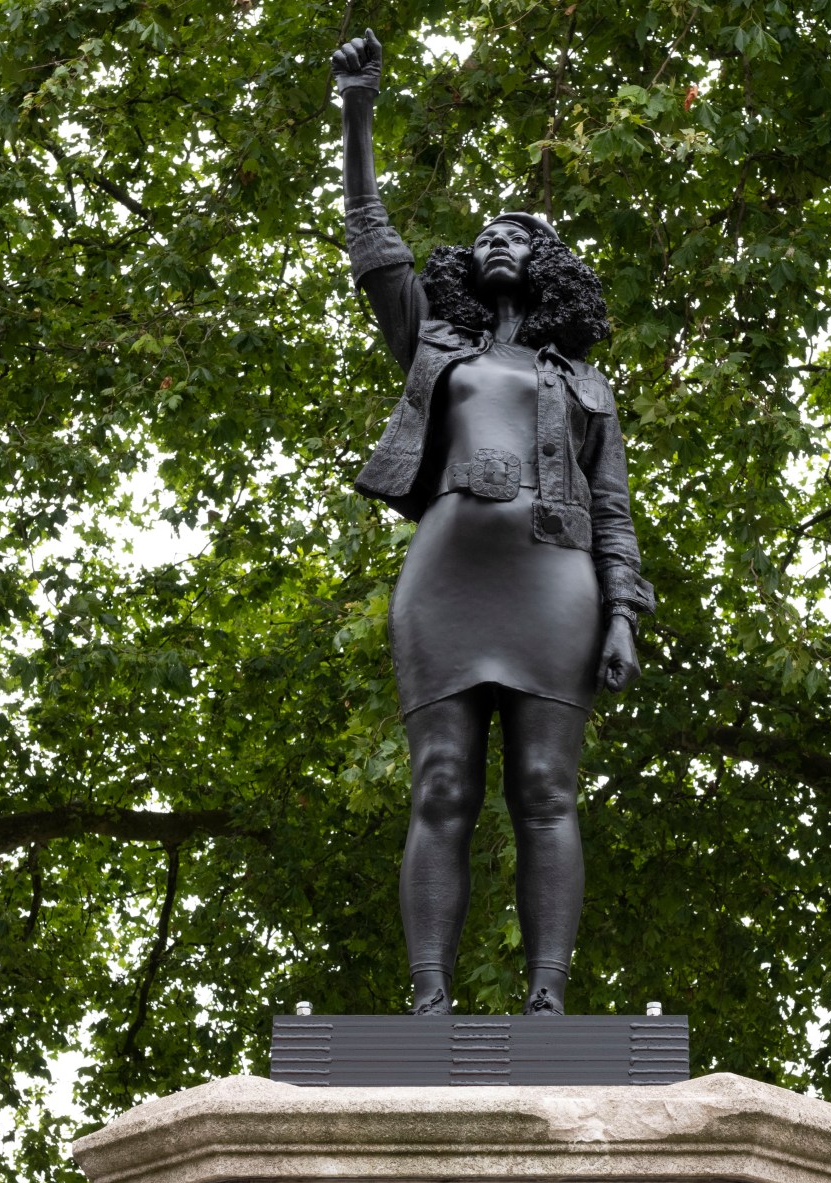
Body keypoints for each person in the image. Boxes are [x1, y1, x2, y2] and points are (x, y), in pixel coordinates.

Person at [329, 30, 656, 1016]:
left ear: (550, 267)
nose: (501, 238)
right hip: (447, 583)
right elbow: (373, 245)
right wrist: (357, 112)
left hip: (554, 585)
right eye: (490, 233)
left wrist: (625, 615)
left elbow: (613, 508)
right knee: (438, 787)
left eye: (523, 232)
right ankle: (427, 1002)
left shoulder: (585, 386)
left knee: (547, 795)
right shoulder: (435, 345)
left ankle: (547, 1002)